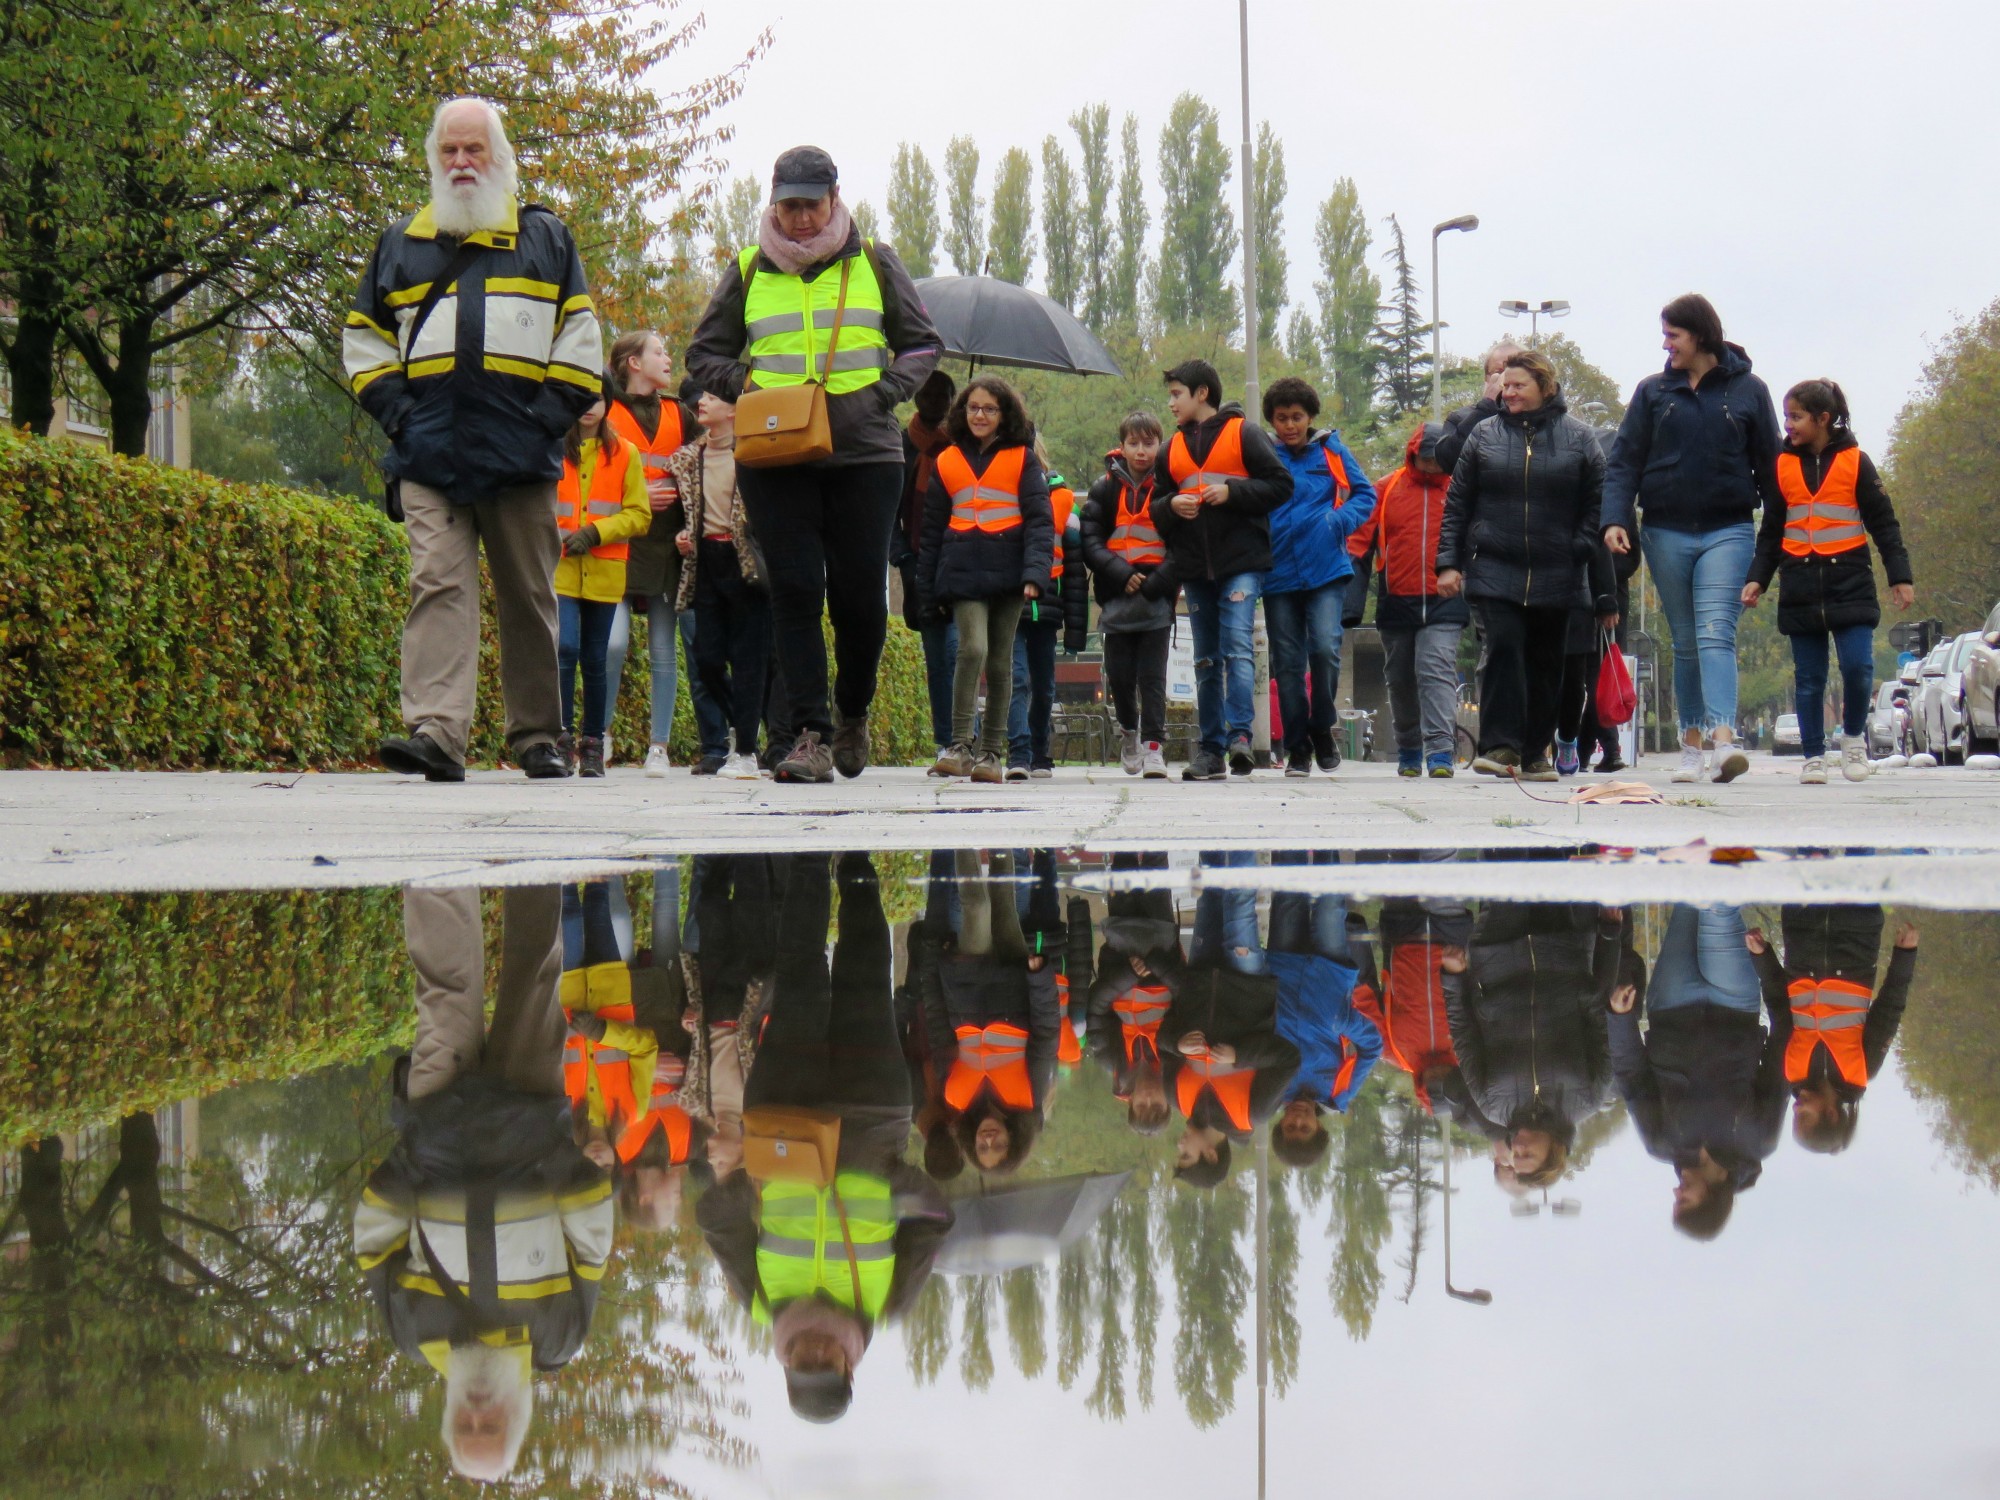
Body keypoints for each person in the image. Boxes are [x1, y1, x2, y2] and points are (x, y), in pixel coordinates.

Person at [346, 97, 602, 782]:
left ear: (499, 156)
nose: (461, 163)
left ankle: (537, 737)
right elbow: (363, 341)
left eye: (474, 150)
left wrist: (542, 422)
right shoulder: (400, 242)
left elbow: (580, 345)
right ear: (435, 158)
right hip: (429, 452)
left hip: (520, 457)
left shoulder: (546, 238)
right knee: (436, 584)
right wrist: (400, 417)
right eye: (449, 151)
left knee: (528, 595)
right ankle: (436, 733)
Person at [687, 146, 942, 784]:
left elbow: (923, 345)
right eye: (790, 205)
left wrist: (880, 394)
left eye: (812, 205)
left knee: (859, 599)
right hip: (775, 454)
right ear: (774, 203)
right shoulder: (747, 269)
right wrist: (746, 382)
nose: (801, 219)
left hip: (864, 455)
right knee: (793, 592)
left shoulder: (876, 261)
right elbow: (701, 354)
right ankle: (810, 735)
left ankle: (852, 710)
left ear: (834, 199)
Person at [353, 884, 611, 1481]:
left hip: (438, 1119)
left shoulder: (412, 1335)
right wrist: (560, 1160)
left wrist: (409, 1161)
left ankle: (438, 861)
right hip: (530, 1115)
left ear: (447, 1419)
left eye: (464, 1428)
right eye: (490, 1427)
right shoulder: (558, 1341)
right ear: (516, 1417)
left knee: (444, 992)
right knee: (537, 976)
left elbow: (374, 1242)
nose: (477, 1416)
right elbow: (593, 1241)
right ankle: (538, 849)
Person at [695, 853, 953, 1423]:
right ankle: (857, 859)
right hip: (873, 1110)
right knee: (865, 966)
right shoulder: (887, 1304)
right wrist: (890, 1172)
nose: (813, 1352)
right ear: (848, 1368)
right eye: (825, 1363)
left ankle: (809, 859)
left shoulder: (761, 1303)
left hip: (785, 1112)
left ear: (786, 1366)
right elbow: (935, 1219)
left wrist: (756, 1180)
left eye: (802, 1364)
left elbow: (715, 1218)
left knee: (800, 971)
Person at [1602, 294, 1782, 785]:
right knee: (1684, 642)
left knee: (1715, 632)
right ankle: (1690, 745)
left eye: (1672, 335)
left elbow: (1772, 469)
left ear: (1699, 335)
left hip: (1729, 529)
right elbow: (1624, 461)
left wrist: (1770, 551)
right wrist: (1615, 518)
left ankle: (1724, 742)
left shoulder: (1749, 391)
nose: (1666, 345)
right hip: (1665, 531)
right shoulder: (1653, 392)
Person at [1437, 350, 1609, 781]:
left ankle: (1535, 753)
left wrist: (1580, 546)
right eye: (1504, 384)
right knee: (1505, 648)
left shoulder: (1580, 438)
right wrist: (1449, 563)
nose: (1507, 391)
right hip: (1495, 565)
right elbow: (1458, 503)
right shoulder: (1482, 436)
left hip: (1558, 569)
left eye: (1518, 385)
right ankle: (1500, 746)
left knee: (1547, 662)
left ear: (1545, 388)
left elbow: (1598, 501)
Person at [1742, 379, 1916, 784]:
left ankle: (1853, 739)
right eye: (1786, 416)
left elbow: (1884, 525)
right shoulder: (1782, 466)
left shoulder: (1857, 462)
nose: (1788, 425)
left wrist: (1900, 576)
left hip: (1850, 582)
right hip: (1800, 585)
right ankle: (1814, 756)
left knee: (1858, 668)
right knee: (1809, 679)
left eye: (1796, 417)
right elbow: (1771, 531)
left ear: (1823, 419)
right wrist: (1757, 579)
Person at [1150, 360, 1294, 780]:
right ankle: (1210, 750)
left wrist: (1231, 492)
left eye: (1177, 393)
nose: (1172, 402)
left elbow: (1281, 485)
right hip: (1194, 568)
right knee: (1206, 659)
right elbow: (1156, 508)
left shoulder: (1244, 433)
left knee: (1236, 646)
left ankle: (1240, 739)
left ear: (1201, 394)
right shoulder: (1169, 450)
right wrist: (1171, 505)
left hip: (1241, 564)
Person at [1608, 904, 1784, 1240]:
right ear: (1712, 1199)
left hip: (1671, 1004)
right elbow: (1780, 1055)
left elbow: (1631, 1077)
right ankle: (1725, 859)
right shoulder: (1758, 1142)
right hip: (1735, 1003)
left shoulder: (1661, 1144)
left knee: (1689, 896)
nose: (1676, 1193)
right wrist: (1767, 968)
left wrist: (1619, 1019)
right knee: (1718, 910)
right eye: (1685, 1202)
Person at [918, 377, 1055, 784]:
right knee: (971, 648)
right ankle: (960, 744)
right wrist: (926, 588)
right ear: (962, 412)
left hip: (1010, 574)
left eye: (989, 409)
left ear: (1004, 415)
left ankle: (992, 752)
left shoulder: (1022, 459)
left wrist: (1034, 575)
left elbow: (1040, 521)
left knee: (1000, 662)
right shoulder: (947, 460)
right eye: (973, 408)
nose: (980, 415)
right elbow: (931, 530)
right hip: (962, 573)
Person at [602, 332, 725, 777]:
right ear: (633, 363)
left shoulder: (679, 412)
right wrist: (630, 500)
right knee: (612, 644)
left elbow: (706, 459)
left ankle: (659, 746)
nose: (667, 357)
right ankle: (601, 735)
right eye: (658, 351)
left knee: (662, 650)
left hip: (669, 546)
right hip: (618, 542)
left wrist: (682, 495)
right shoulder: (606, 412)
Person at [1154, 850, 1303, 1186]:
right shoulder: (1252, 1113)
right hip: (1247, 984)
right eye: (1186, 1153)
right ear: (1210, 1153)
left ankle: (1214, 827)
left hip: (1200, 978)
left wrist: (1177, 1043)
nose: (1179, 1145)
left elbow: (1161, 1043)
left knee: (1210, 891)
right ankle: (1242, 836)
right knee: (1237, 905)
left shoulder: (1177, 1097)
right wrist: (1240, 1056)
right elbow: (1288, 1059)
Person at [1448, 902, 1620, 1192]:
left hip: (1496, 953)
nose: (1518, 1148)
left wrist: (1453, 978)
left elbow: (1464, 1036)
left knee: (1503, 859)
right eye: (1529, 1154)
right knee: (1556, 857)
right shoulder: (1588, 1098)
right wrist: (1610, 935)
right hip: (1566, 946)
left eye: (1516, 1155)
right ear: (1553, 1151)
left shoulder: (1492, 1107)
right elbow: (1602, 1016)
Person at [919, 849, 1062, 1176]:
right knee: (1002, 899)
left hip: (965, 980)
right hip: (1013, 981)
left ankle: (963, 833)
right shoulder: (1030, 1098)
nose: (989, 1140)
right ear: (1014, 1139)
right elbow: (1046, 1034)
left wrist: (933, 970)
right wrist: (1039, 979)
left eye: (982, 1148)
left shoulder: (955, 1102)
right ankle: (1003, 835)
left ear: (972, 1145)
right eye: (998, 1146)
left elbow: (939, 1031)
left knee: (977, 908)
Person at [1261, 377, 1377, 777]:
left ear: (1310, 417)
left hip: (1326, 568)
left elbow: (1365, 495)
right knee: (1289, 663)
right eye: (1281, 418)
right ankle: (1298, 748)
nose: (1289, 425)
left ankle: (1321, 725)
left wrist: (1337, 521)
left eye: (1296, 417)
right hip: (1277, 574)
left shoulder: (1330, 450)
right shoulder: (1263, 454)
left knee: (1326, 648)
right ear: (1272, 421)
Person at [1748, 907, 1917, 1154]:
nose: (1795, 1109)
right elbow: (1890, 1007)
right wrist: (1905, 954)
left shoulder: (1792, 1071)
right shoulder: (1862, 1069)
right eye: (1804, 1118)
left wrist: (1762, 957)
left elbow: (1779, 1008)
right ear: (1832, 1114)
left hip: (1801, 931)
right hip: (1856, 933)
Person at [1350, 421, 1465, 777]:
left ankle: (1441, 751)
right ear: (1413, 453)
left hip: (1446, 598)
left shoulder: (1462, 490)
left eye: (1437, 458)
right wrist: (1348, 596)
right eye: (1424, 458)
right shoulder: (1386, 488)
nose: (1431, 465)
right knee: (1399, 677)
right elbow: (1358, 542)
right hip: (1397, 598)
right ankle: (1410, 749)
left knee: (1435, 670)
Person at [667, 391, 769, 780]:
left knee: (749, 660)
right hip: (705, 563)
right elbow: (683, 514)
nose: (702, 401)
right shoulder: (689, 458)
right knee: (707, 659)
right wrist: (681, 535)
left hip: (747, 567)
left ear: (734, 409)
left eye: (713, 396)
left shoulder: (755, 456)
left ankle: (744, 751)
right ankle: (746, 726)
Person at [553, 386, 650, 777]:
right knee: (565, 648)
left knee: (595, 659)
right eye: (582, 398)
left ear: (608, 405)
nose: (590, 408)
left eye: (597, 400)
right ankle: (558, 739)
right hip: (559, 569)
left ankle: (592, 745)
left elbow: (639, 514)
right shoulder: (553, 447)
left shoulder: (625, 452)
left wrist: (596, 532)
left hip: (605, 572)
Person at [1267, 853, 1381, 1169]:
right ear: (1319, 1128)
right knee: (1331, 901)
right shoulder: (1337, 1096)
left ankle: (1287, 820)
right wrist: (1345, 1021)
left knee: (1288, 891)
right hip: (1330, 974)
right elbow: (1371, 1048)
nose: (1298, 1121)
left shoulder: (1271, 1089)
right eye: (1305, 1129)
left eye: (1290, 1127)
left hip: (1284, 968)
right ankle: (1327, 830)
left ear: (1280, 1125)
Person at [1079, 412, 1174, 777]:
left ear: (1159, 445)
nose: (1141, 451)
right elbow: (1091, 540)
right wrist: (1121, 573)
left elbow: (1182, 544)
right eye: (1133, 443)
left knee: (1153, 676)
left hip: (1157, 594)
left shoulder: (1170, 487)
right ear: (1122, 446)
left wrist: (1157, 581)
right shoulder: (1104, 488)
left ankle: (1154, 748)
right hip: (1117, 592)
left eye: (1149, 443)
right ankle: (1129, 733)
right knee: (1119, 676)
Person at [1349, 894, 1473, 1115]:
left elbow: (1364, 1000)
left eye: (1432, 1081)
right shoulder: (1468, 1047)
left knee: (1399, 862)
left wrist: (1352, 938)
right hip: (1451, 937)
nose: (1437, 1073)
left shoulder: (1393, 1052)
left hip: (1402, 935)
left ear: (1421, 1084)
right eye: (1444, 1078)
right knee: (1440, 864)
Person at [1085, 852, 1182, 1132]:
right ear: (1168, 1102)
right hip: (1161, 950)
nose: (1149, 1098)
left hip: (1120, 950)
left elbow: (1096, 1007)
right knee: (1155, 878)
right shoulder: (1179, 1058)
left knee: (1124, 868)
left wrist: (1129, 974)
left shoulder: (1110, 1059)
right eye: (1157, 1106)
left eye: (1141, 1106)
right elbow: (1189, 998)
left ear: (1130, 1100)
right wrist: (1157, 966)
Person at [1008, 446, 1089, 780]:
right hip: (1011, 607)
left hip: (1048, 609)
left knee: (1043, 686)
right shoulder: (1003, 497)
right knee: (1018, 680)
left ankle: (1040, 750)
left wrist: (1075, 631)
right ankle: (1019, 752)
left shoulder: (1066, 504)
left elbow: (1074, 571)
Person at [895, 371, 960, 759]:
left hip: (961, 559)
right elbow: (890, 511)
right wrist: (904, 560)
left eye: (944, 394)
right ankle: (945, 740)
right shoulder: (903, 445)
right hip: (920, 562)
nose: (935, 400)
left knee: (959, 651)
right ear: (916, 396)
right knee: (937, 657)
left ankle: (963, 735)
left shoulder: (964, 447)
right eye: (928, 392)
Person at [1431, 340, 1523, 478]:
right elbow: (1449, 461)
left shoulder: (1545, 419)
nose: (1507, 378)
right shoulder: (1461, 418)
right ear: (1487, 377)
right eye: (1499, 372)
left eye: (1515, 370)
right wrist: (1487, 407)